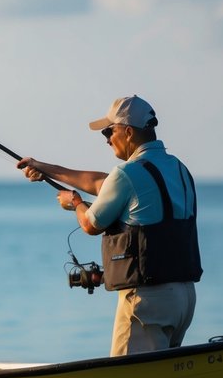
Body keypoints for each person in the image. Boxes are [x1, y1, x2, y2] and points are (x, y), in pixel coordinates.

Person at [17, 95, 202, 356]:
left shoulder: (127, 173)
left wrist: (75, 203)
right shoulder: (178, 169)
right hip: (184, 298)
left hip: (146, 301)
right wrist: (44, 168)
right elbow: (100, 183)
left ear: (127, 131)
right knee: (159, 375)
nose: (106, 139)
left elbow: (91, 224)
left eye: (109, 131)